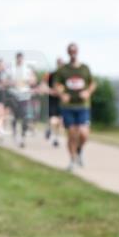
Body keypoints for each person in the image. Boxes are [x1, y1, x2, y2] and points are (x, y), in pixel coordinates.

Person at [54, 43, 95, 171]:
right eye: (70, 51)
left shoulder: (84, 68)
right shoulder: (63, 70)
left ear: (77, 52)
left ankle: (79, 150)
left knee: (84, 133)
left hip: (83, 106)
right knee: (71, 134)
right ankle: (72, 160)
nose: (73, 53)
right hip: (68, 106)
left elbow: (92, 84)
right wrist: (62, 94)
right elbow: (57, 85)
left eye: (74, 51)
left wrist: (88, 92)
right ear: (68, 52)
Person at [6, 52, 37, 148]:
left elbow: (34, 80)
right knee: (15, 116)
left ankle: (23, 137)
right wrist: (11, 82)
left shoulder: (27, 69)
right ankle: (15, 134)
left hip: (24, 95)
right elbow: (5, 81)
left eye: (21, 58)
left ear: (22, 59)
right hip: (14, 94)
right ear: (16, 59)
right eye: (18, 58)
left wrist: (29, 81)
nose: (19, 60)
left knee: (25, 116)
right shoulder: (11, 69)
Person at [42, 58, 64, 147]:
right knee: (52, 119)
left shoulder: (65, 76)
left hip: (62, 101)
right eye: (59, 64)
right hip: (51, 100)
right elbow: (43, 84)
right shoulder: (51, 74)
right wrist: (50, 91)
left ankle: (56, 139)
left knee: (60, 120)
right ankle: (49, 129)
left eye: (62, 64)